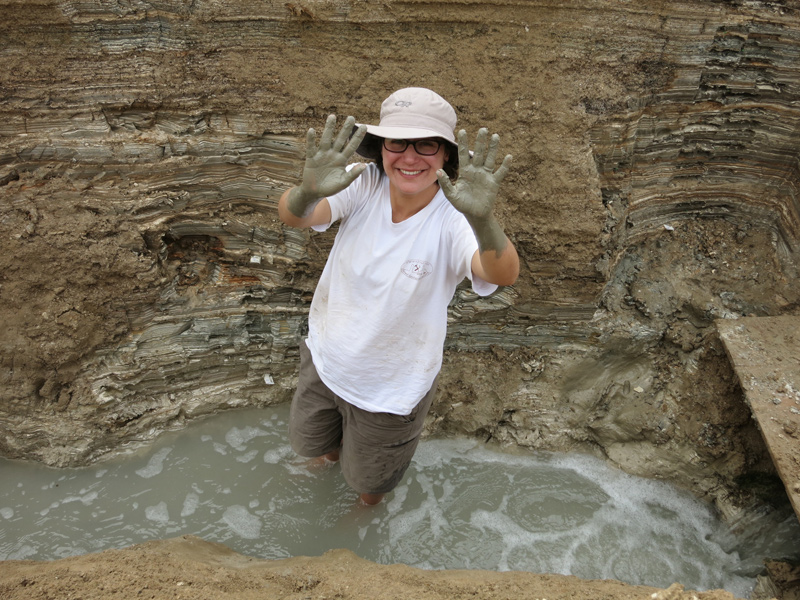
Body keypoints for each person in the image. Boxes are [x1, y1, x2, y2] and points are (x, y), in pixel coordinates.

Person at [278, 87, 519, 505]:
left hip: (391, 391)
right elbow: (295, 216)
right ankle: (313, 499)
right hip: (325, 360)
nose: (410, 157)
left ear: (446, 154)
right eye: (398, 143)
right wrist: (307, 190)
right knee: (317, 452)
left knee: (369, 489)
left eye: (426, 144)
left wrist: (483, 220)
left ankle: (355, 537)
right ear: (382, 148)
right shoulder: (364, 183)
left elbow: (502, 272)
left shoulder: (456, 218)